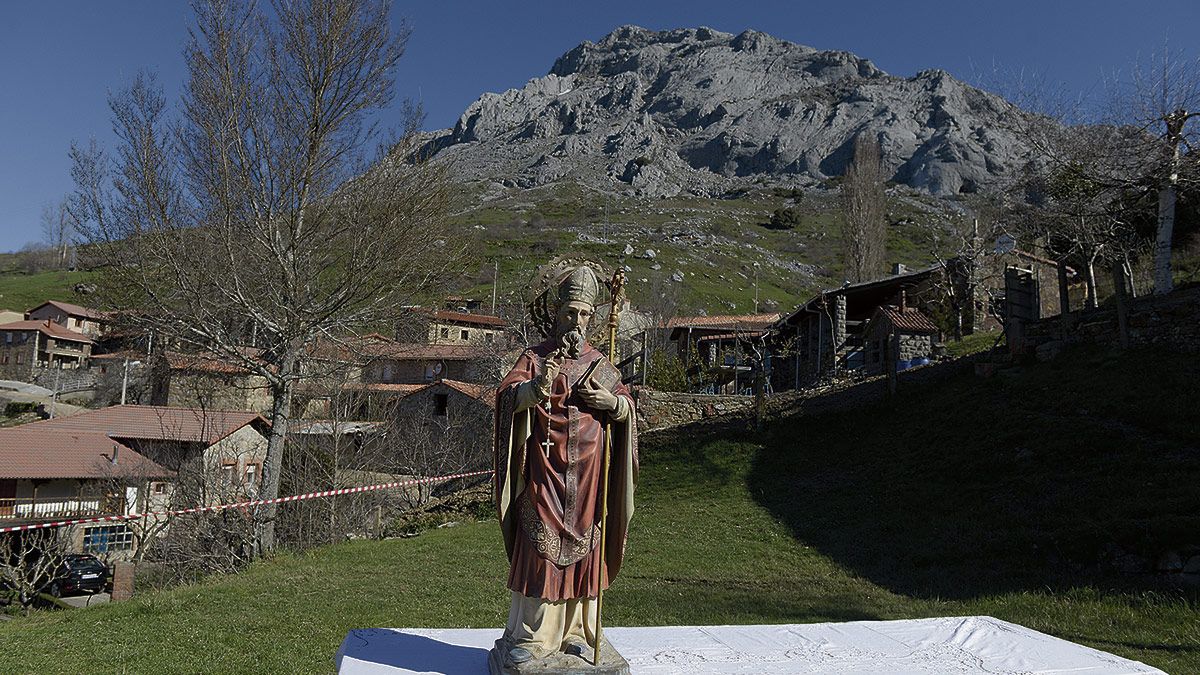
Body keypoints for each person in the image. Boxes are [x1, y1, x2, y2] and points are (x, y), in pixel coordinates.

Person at [492, 265, 638, 669]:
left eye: (585, 314)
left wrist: (615, 406)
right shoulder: (535, 357)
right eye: (570, 312)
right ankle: (531, 637)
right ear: (557, 313)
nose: (577, 322)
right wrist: (533, 390)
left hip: (591, 477)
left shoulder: (602, 365)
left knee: (585, 551)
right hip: (544, 474)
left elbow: (626, 406)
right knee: (540, 549)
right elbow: (506, 397)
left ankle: (579, 633)